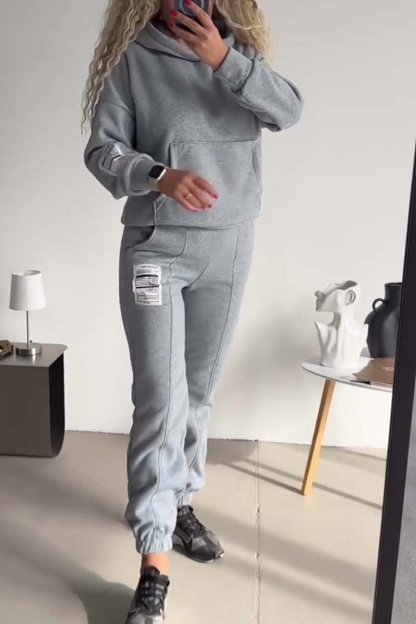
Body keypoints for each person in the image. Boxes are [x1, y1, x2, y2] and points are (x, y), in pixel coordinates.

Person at [81, 1, 303, 622]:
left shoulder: (242, 58)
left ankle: (177, 504)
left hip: (229, 250)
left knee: (199, 393)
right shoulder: (133, 62)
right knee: (161, 398)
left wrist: (223, 60)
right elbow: (101, 152)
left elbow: (289, 111)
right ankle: (154, 565)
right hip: (157, 249)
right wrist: (158, 175)